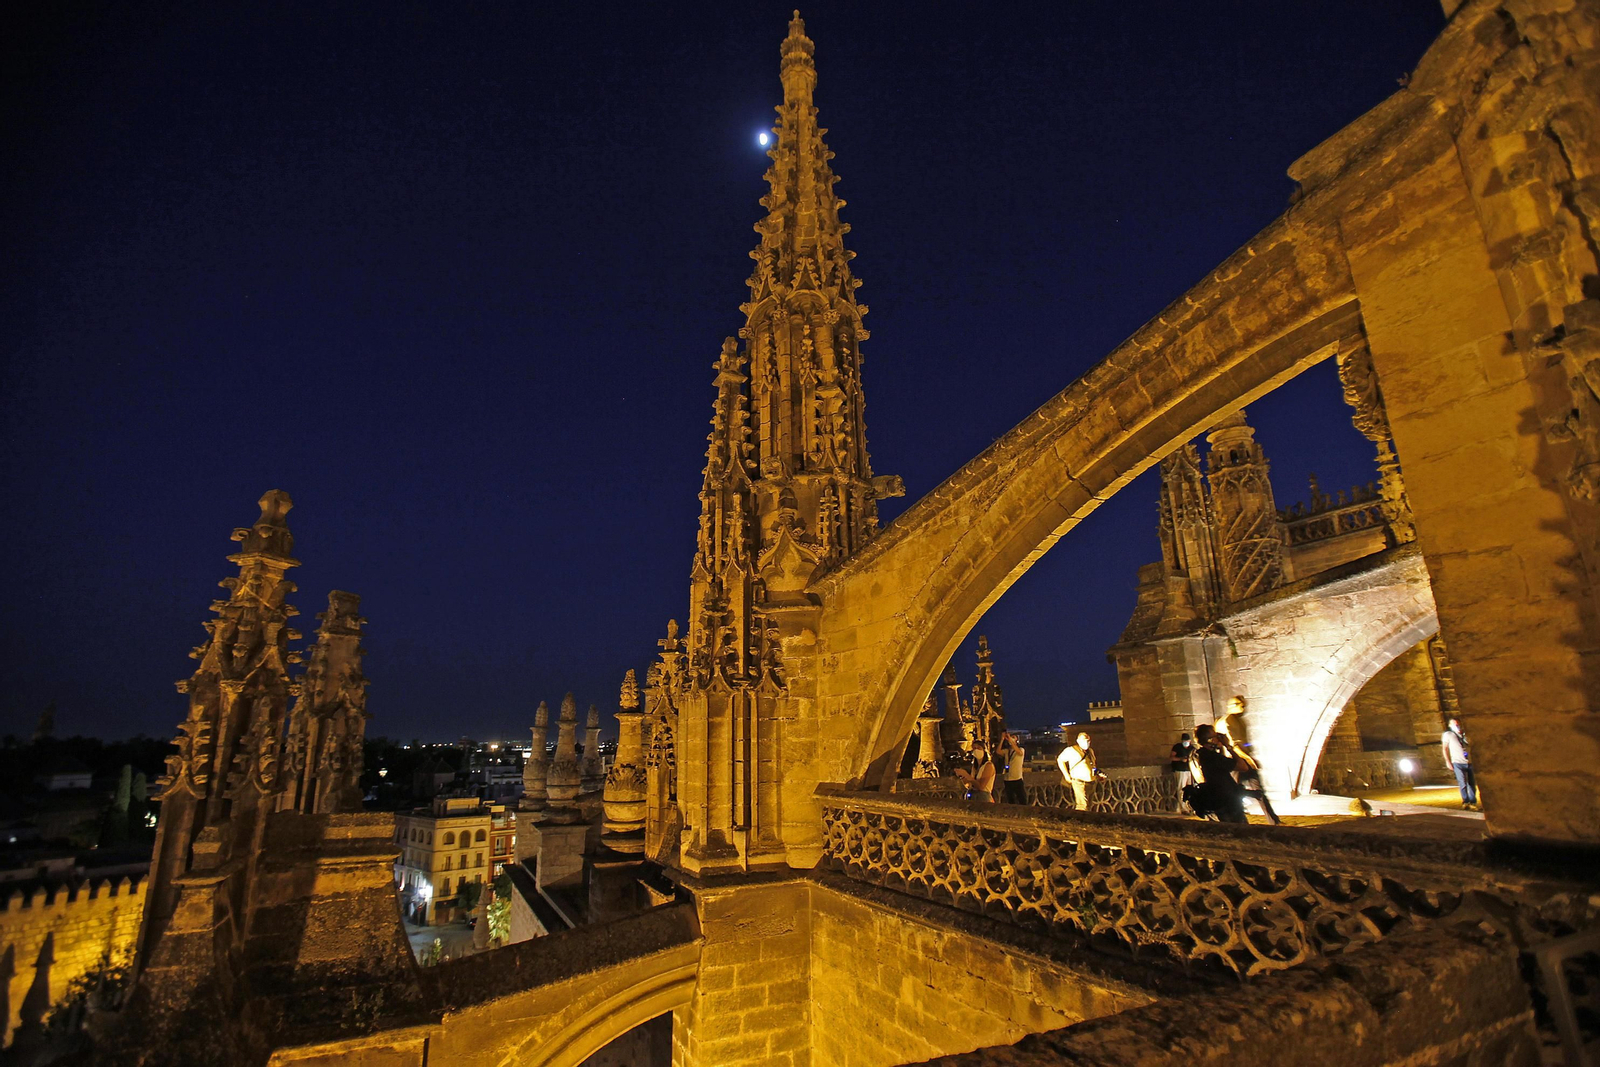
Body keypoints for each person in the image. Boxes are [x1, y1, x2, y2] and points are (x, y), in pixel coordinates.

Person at [1214, 697, 1280, 826]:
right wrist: (1249, 759)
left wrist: (1248, 754)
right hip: (1235, 761)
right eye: (1242, 706)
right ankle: (1238, 819)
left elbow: (1244, 742)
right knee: (1234, 792)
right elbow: (1234, 745)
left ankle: (1273, 820)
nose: (1244, 709)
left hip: (1243, 759)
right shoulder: (1227, 721)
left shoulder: (1239, 720)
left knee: (1258, 790)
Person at [1188, 724, 1248, 823]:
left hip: (1213, 801)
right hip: (1227, 802)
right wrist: (1228, 746)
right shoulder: (1212, 757)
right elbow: (1243, 767)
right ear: (1210, 740)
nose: (1219, 738)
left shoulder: (1196, 754)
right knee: (1239, 829)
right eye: (1216, 736)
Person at [1057, 732, 1104, 811]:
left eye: (1088, 740)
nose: (1086, 742)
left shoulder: (1090, 751)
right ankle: (1079, 818)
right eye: (1084, 740)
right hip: (1079, 782)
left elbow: (1093, 766)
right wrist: (1066, 775)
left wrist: (1098, 774)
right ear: (1078, 741)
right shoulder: (1071, 750)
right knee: (1082, 805)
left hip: (1091, 782)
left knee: (1088, 806)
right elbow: (1060, 760)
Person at [1441, 717, 1477, 809]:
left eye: (1457, 724)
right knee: (1462, 782)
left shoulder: (1465, 734)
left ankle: (1473, 802)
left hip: (1469, 762)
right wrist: (1448, 761)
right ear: (1450, 725)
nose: (1457, 726)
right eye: (1454, 724)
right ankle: (1465, 801)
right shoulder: (1448, 735)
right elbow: (1445, 748)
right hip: (1457, 762)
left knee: (1471, 783)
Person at [998, 732, 1028, 805]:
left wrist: (1010, 740)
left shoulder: (1021, 750)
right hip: (1007, 779)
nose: (1011, 738)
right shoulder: (1007, 751)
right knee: (1010, 800)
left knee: (1022, 799)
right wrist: (1002, 739)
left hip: (1017, 778)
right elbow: (998, 751)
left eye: (1013, 737)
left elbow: (1019, 752)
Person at [1169, 733, 1194, 802]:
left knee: (1190, 789)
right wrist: (1180, 759)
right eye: (1184, 741)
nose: (1186, 742)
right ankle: (1182, 805)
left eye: (1187, 741)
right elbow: (1171, 757)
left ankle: (1189, 804)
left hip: (1189, 770)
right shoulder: (1177, 747)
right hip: (1180, 770)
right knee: (1181, 788)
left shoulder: (1192, 748)